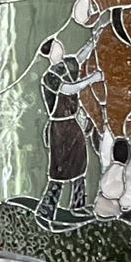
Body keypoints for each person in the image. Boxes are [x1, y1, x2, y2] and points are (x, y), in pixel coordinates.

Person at [35, 35, 96, 226]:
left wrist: (93, 42)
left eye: (59, 44)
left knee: (80, 164)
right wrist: (92, 79)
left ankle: (78, 206)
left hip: (72, 124)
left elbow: (80, 57)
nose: (60, 47)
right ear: (50, 54)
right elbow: (69, 89)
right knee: (59, 171)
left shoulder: (67, 64)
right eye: (56, 46)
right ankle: (46, 209)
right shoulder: (49, 77)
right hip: (59, 129)